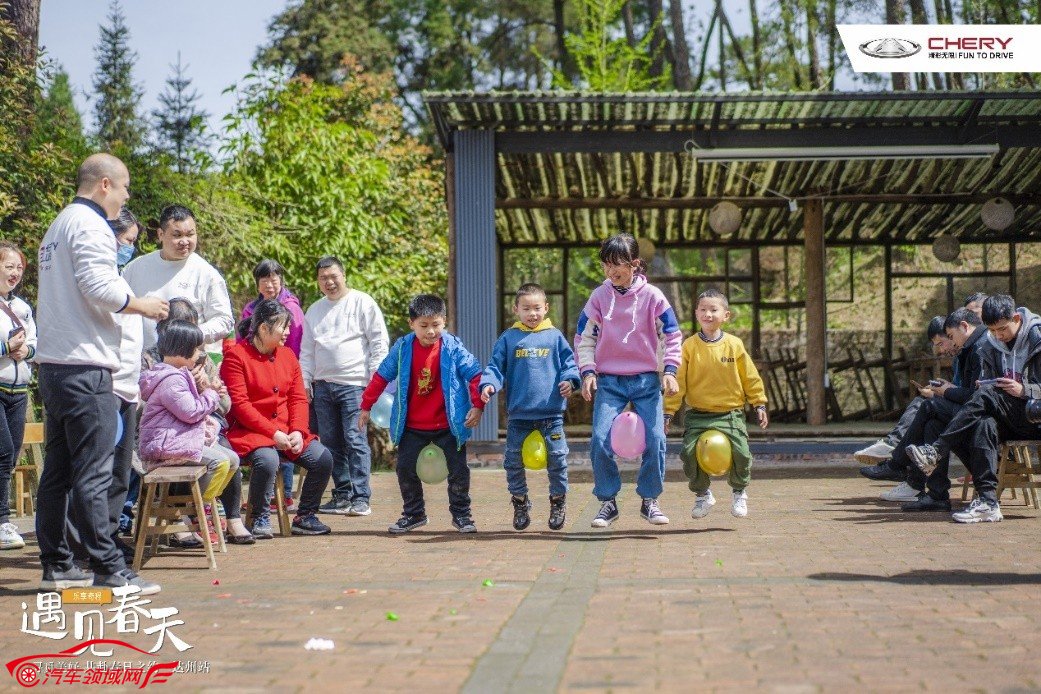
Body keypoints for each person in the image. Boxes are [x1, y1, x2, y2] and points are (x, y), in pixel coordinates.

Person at [35, 153, 168, 593]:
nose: (127, 196)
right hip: (86, 366)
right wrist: (143, 304)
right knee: (95, 471)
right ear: (105, 185)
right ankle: (109, 569)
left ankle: (57, 564)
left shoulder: (58, 226)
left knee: (58, 471)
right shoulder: (91, 225)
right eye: (126, 187)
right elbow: (99, 287)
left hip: (54, 366)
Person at [574, 233, 682, 528]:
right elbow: (584, 337)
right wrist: (588, 371)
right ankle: (608, 502)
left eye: (617, 265)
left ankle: (650, 501)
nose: (611, 272)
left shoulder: (654, 297)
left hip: (647, 380)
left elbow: (671, 335)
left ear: (635, 264)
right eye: (606, 266)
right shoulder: (598, 297)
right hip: (609, 381)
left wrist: (670, 370)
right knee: (599, 438)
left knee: (657, 438)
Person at [906, 295, 1041, 523]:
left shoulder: (1037, 338)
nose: (998, 336)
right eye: (993, 331)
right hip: (1007, 414)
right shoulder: (990, 344)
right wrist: (986, 382)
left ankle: (936, 450)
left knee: (983, 397)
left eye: (1002, 330)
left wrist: (1024, 389)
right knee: (982, 422)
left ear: (1016, 318)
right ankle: (988, 502)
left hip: (1034, 415)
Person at [358, 294, 485, 534]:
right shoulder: (403, 348)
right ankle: (414, 514)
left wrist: (477, 405)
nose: (430, 332)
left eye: (436, 325)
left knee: (458, 471)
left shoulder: (453, 347)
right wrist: (366, 406)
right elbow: (381, 377)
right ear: (412, 324)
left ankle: (462, 516)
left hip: (449, 425)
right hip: (412, 426)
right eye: (424, 326)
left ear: (444, 321)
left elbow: (475, 374)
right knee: (405, 469)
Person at [138, 299, 253, 544]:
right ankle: (189, 514)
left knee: (229, 454)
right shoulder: (152, 363)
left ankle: (222, 515)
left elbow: (225, 406)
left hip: (200, 427)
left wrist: (204, 387)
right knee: (215, 460)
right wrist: (198, 392)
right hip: (168, 438)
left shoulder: (200, 361)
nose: (199, 350)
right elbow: (152, 407)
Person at [221, 299, 333, 538]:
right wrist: (273, 433)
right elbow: (240, 406)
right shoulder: (236, 357)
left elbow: (298, 399)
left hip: (287, 431)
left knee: (322, 458)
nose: (288, 333)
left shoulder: (288, 356)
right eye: (283, 327)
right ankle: (258, 517)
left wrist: (298, 432)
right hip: (250, 432)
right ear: (263, 328)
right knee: (267, 459)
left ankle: (306, 516)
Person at [480, 283, 580, 531]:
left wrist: (570, 381)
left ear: (546, 308)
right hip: (519, 416)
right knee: (512, 461)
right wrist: (489, 384)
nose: (532, 313)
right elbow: (494, 367)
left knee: (557, 459)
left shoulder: (555, 337)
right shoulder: (509, 338)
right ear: (516, 309)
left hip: (551, 415)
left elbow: (570, 364)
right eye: (526, 308)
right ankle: (520, 501)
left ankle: (558, 501)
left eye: (537, 308)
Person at [664, 289, 768, 519]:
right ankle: (702, 494)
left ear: (726, 315)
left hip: (730, 414)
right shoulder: (689, 346)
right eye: (703, 309)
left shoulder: (734, 345)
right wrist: (668, 411)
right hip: (698, 415)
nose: (708, 314)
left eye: (714, 309)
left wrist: (759, 404)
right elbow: (677, 383)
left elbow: (750, 377)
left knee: (741, 453)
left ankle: (739, 492)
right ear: (696, 313)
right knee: (688, 453)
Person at [301, 256, 389, 517]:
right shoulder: (314, 310)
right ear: (318, 281)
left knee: (355, 439)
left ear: (343, 275)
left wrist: (376, 378)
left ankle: (361, 497)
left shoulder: (362, 302)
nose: (329, 282)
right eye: (323, 278)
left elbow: (378, 342)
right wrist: (305, 380)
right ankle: (341, 494)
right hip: (322, 385)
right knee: (330, 443)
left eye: (333, 276)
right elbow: (307, 350)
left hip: (355, 385)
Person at [893, 308, 986, 511]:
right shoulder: (969, 349)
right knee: (933, 426)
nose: (951, 345)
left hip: (981, 414)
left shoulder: (980, 347)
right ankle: (937, 495)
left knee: (929, 405)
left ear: (964, 326)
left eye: (950, 338)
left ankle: (897, 462)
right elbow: (969, 390)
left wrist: (945, 393)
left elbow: (976, 396)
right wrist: (949, 389)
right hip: (968, 410)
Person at [121, 204, 234, 354]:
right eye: (177, 235)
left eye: (190, 234)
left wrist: (190, 334)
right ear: (161, 234)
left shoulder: (207, 274)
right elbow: (117, 306)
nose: (184, 241)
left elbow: (224, 320)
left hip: (185, 361)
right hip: (139, 361)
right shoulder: (134, 268)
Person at [241, 259, 307, 510]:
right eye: (264, 279)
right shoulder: (251, 309)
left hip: (284, 375)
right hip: (256, 376)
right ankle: (264, 495)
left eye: (274, 278)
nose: (270, 284)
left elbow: (296, 343)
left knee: (286, 426)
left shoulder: (291, 308)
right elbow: (243, 340)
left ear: (281, 279)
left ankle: (285, 494)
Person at [857, 316, 957, 480]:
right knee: (928, 420)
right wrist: (943, 390)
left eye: (942, 343)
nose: (940, 350)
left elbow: (971, 395)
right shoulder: (961, 355)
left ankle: (895, 456)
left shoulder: (978, 349)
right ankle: (917, 485)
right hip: (959, 406)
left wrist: (941, 393)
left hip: (970, 412)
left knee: (925, 407)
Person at [0, 242, 36, 550]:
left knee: (10, 457)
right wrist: (6, 349)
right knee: (3, 451)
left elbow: (36, 342)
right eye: (9, 266)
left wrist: (27, 350)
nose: (15, 273)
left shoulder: (23, 307)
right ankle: (2, 521)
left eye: (19, 268)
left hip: (19, 388)